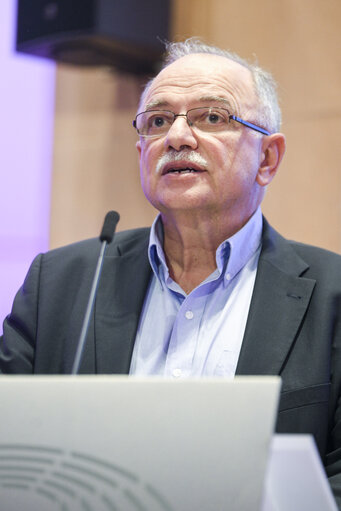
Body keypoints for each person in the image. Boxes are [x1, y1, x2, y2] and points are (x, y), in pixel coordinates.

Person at [1, 38, 341, 505]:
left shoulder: (332, 296)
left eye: (212, 117)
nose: (177, 137)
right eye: (158, 121)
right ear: (141, 149)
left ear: (267, 159)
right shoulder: (58, 283)